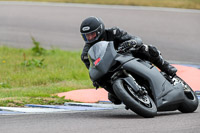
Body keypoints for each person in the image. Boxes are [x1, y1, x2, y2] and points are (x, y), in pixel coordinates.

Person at [80, 16, 177, 104]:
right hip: (110, 68)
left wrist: (131, 42)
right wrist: (95, 79)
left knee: (146, 49)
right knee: (108, 91)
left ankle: (165, 67)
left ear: (99, 30)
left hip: (127, 55)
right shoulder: (86, 54)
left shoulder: (114, 32)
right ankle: (123, 93)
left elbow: (136, 39)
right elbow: (92, 68)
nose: (89, 38)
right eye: (86, 36)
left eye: (92, 34)